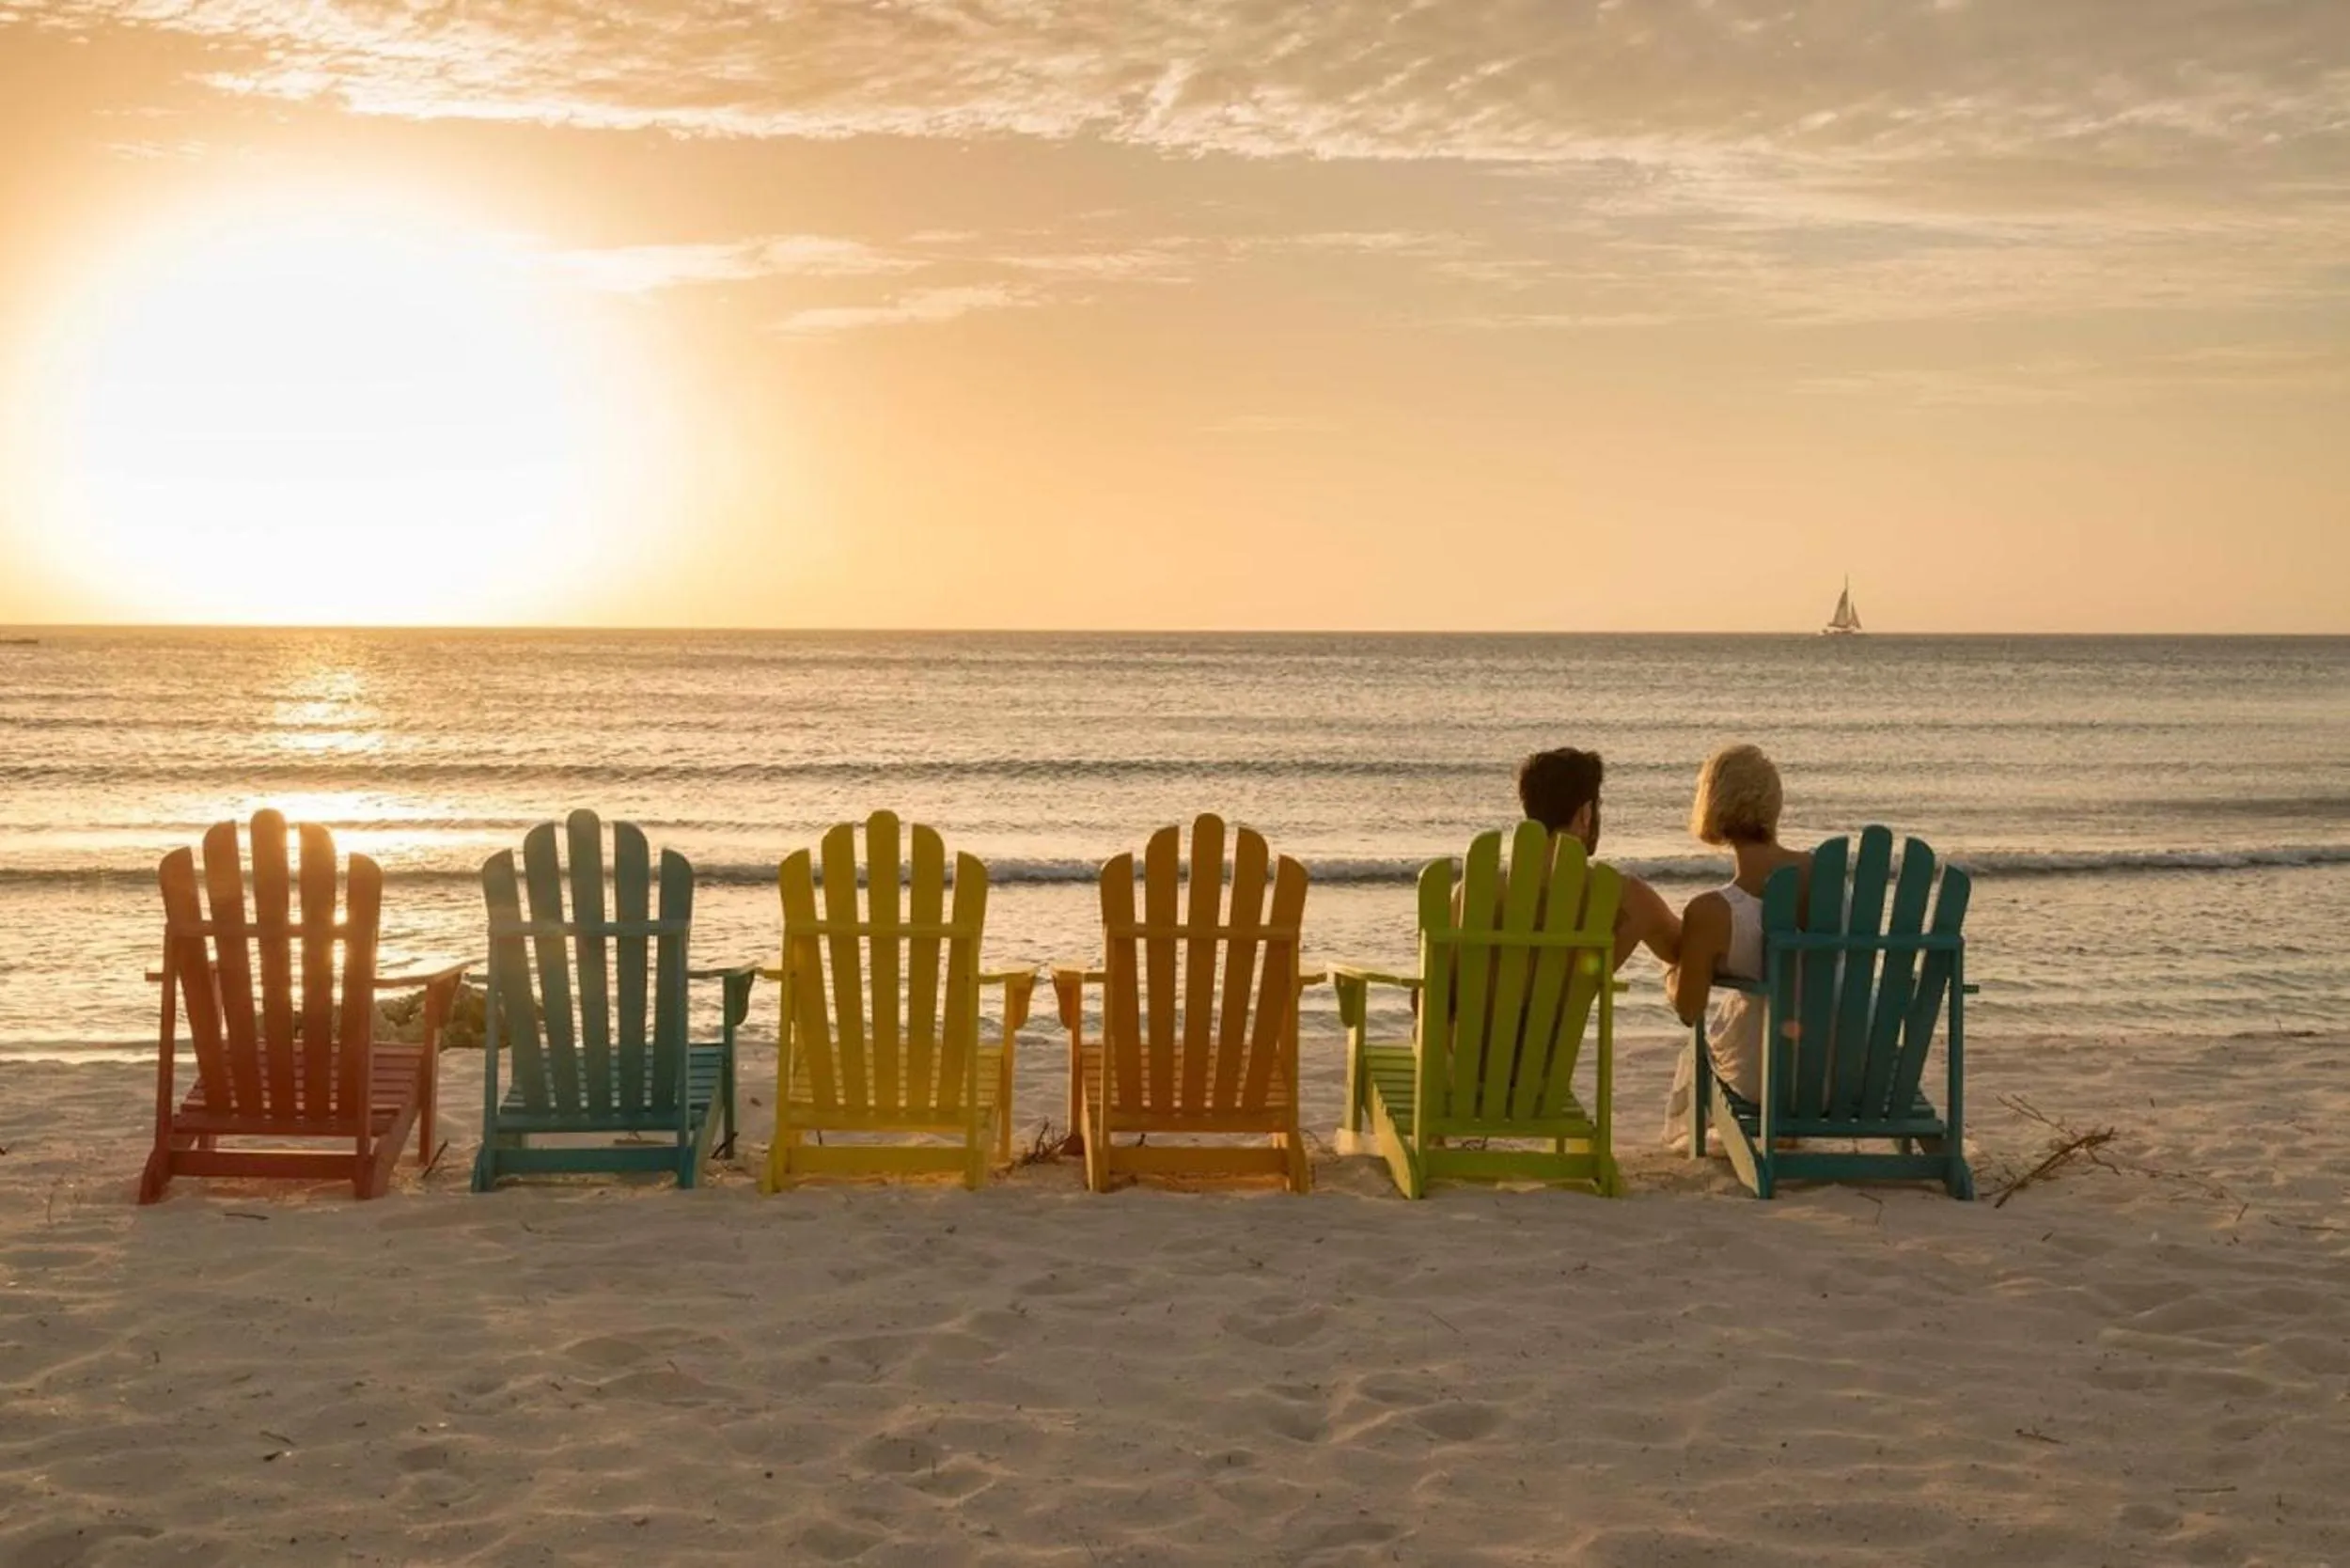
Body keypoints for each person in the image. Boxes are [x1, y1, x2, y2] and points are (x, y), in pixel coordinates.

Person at [1663, 743, 1810, 1146]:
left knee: (1715, 1041)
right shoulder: (1831, 880)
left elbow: (1689, 1010)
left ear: (1713, 805)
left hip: (1769, 1078)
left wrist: (1675, 972)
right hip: (1855, 1070)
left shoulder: (1711, 914)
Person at [1513, 747, 1680, 971]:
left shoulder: (1478, 892)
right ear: (1586, 814)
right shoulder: (1628, 898)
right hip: (1571, 1006)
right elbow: (1689, 951)